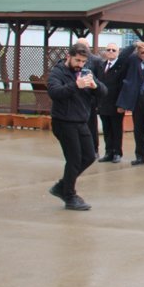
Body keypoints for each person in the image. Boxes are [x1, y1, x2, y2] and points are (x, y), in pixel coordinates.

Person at [47, 42, 107, 211]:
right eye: (77, 61)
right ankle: (69, 196)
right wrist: (75, 85)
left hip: (81, 121)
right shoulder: (57, 73)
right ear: (69, 57)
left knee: (89, 156)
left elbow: (104, 92)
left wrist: (95, 87)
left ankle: (62, 186)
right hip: (63, 122)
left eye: (83, 62)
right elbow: (55, 93)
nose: (80, 65)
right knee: (74, 159)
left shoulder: (85, 72)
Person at [115, 41, 144, 166]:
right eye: (142, 52)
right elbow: (122, 57)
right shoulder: (133, 61)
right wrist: (134, 45)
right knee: (138, 130)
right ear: (138, 54)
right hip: (137, 100)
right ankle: (140, 156)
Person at [97, 42, 126, 163]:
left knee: (116, 130)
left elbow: (124, 87)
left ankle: (117, 153)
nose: (111, 52)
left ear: (118, 52)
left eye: (114, 50)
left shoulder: (121, 67)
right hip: (103, 104)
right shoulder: (102, 66)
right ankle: (108, 152)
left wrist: (122, 104)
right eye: (108, 49)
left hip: (116, 105)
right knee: (107, 129)